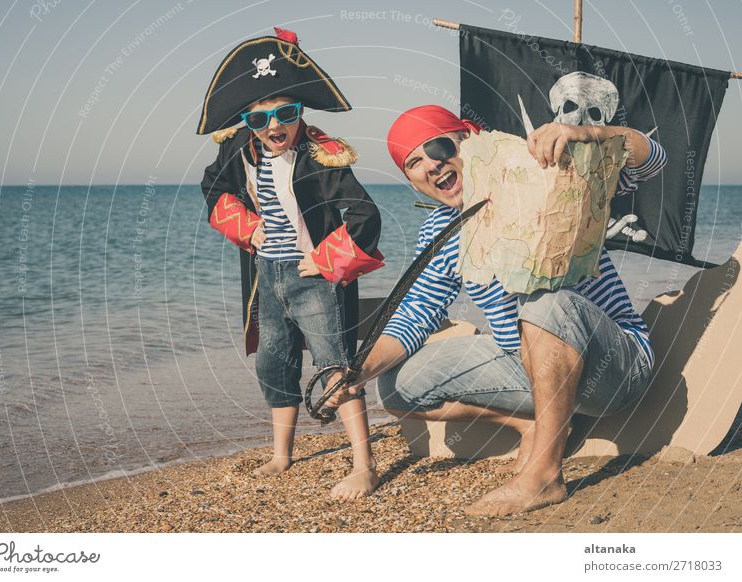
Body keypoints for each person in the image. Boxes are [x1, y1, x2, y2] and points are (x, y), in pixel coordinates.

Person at [327, 104, 666, 515]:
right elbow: (415, 314)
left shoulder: (546, 171)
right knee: (398, 385)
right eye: (414, 162)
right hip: (524, 365)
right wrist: (356, 372)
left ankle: (544, 475)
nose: (432, 165)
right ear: (412, 182)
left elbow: (651, 160)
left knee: (544, 300)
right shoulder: (440, 230)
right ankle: (533, 423)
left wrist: (587, 135)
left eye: (438, 146)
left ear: (468, 138)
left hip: (615, 367)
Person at [197, 28, 384, 499]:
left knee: (334, 365)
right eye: (259, 118)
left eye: (286, 113)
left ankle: (365, 464)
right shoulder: (237, 147)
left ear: (300, 113)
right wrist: (247, 226)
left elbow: (365, 214)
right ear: (247, 120)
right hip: (267, 276)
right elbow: (212, 189)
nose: (273, 125)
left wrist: (326, 261)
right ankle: (282, 453)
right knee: (274, 363)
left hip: (314, 279)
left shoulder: (322, 156)